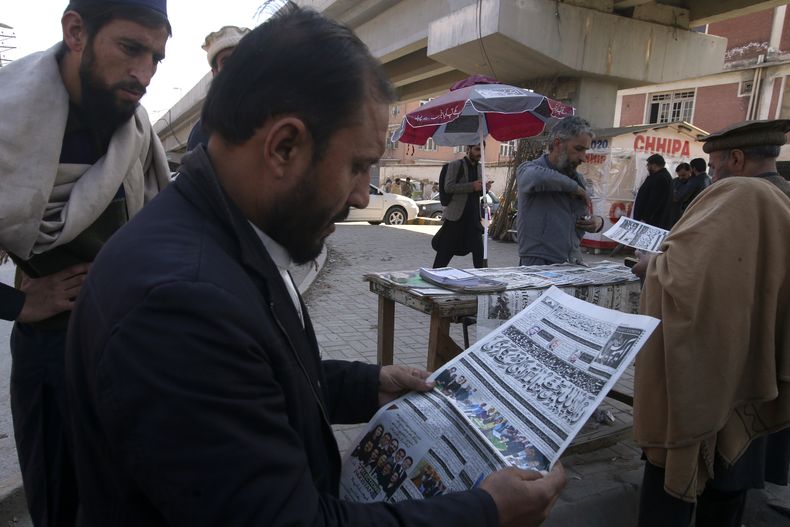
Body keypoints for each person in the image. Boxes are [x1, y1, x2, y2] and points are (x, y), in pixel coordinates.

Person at [63, 7, 565, 526]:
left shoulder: (224, 235)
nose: (358, 194)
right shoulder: (181, 303)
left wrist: (365, 385)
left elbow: (254, 377)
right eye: (356, 166)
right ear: (284, 146)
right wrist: (486, 511)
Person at [0, 1, 171, 524]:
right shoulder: (9, 120)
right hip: (52, 359)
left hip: (133, 351)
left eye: (156, 58)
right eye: (130, 48)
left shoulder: (136, 131)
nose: (143, 74)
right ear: (76, 31)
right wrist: (17, 304)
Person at [631, 120, 790, 527]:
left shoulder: (740, 193)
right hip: (759, 372)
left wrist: (652, 265)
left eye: (714, 164)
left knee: (686, 479)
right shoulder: (783, 195)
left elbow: (685, 280)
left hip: (719, 375)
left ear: (736, 159)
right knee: (732, 489)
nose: (712, 174)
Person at [516, 116, 603, 266]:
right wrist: (576, 189)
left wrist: (597, 223)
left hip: (571, 262)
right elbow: (536, 178)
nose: (583, 158)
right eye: (578, 149)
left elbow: (581, 219)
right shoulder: (530, 170)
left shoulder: (577, 178)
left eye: (585, 151)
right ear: (558, 144)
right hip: (538, 264)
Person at [186, 25, 250, 151]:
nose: (236, 66)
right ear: (215, 73)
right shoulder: (203, 131)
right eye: (226, 61)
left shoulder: (276, 117)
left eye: (242, 58)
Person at [431, 144, 487, 268]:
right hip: (456, 217)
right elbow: (448, 187)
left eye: (482, 150)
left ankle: (483, 282)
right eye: (477, 149)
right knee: (443, 255)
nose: (480, 153)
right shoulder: (456, 165)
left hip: (473, 219)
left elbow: (477, 191)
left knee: (479, 254)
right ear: (468, 150)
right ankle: (434, 279)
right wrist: (472, 186)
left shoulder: (480, 168)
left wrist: (484, 189)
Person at [633, 153, 673, 229]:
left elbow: (654, 201)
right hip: (652, 220)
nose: (647, 167)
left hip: (652, 222)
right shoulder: (660, 176)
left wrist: (645, 219)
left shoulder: (660, 178)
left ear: (654, 165)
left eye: (648, 165)